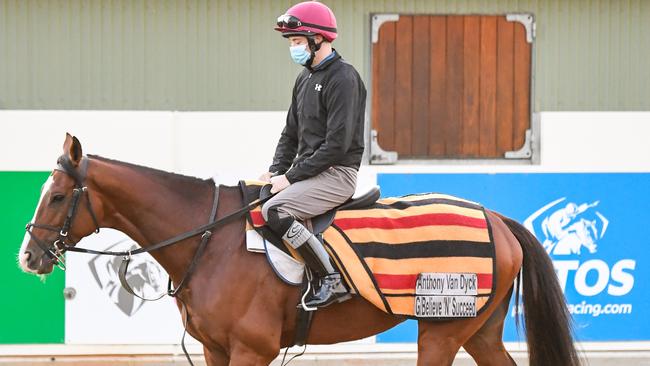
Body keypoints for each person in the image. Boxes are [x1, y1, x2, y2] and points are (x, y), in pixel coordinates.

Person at [259, 1, 366, 308]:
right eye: (291, 42)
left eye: (296, 41)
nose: (293, 48)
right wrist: (276, 170)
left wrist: (290, 177)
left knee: (275, 211)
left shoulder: (344, 78)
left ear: (317, 39)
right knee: (260, 197)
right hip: (308, 172)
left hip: (337, 174)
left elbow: (337, 146)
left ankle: (330, 279)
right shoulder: (304, 78)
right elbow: (290, 133)